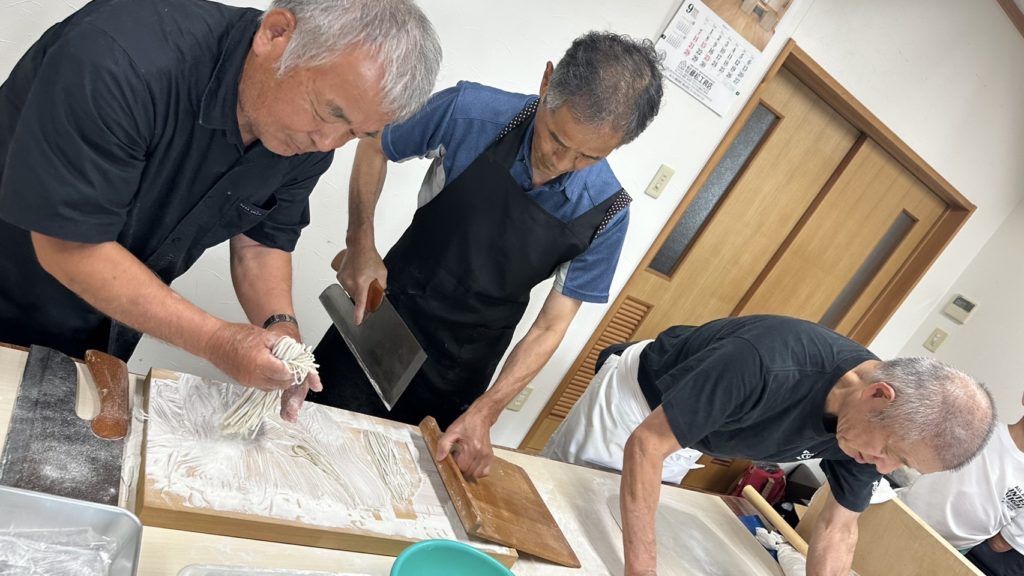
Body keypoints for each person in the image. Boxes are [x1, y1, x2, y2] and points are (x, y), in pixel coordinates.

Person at [0, 0, 441, 420]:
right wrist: (216, 340)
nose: (327, 143)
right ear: (276, 34)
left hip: (100, 328)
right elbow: (69, 246)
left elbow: (261, 243)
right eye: (327, 112)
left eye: (355, 133)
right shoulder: (119, 58)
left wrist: (281, 329)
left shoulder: (310, 141)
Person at [309, 31, 664, 478]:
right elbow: (376, 144)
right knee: (311, 450)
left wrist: (488, 410)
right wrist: (361, 242)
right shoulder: (470, 112)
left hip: (462, 370)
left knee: (402, 484)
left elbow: (551, 326)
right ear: (547, 81)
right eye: (556, 138)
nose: (561, 162)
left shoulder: (606, 211)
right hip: (382, 323)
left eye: (587, 157)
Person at [541, 315, 995, 576]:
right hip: (639, 404)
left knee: (620, 527)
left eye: (901, 465)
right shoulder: (766, 362)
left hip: (692, 432)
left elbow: (839, 527)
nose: (883, 467)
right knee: (568, 513)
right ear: (878, 395)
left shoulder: (873, 433)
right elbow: (646, 444)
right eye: (892, 453)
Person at [901, 392, 1024, 576]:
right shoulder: (976, 426)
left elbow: (1001, 543)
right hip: (900, 511)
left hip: (947, 552)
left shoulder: (978, 427)